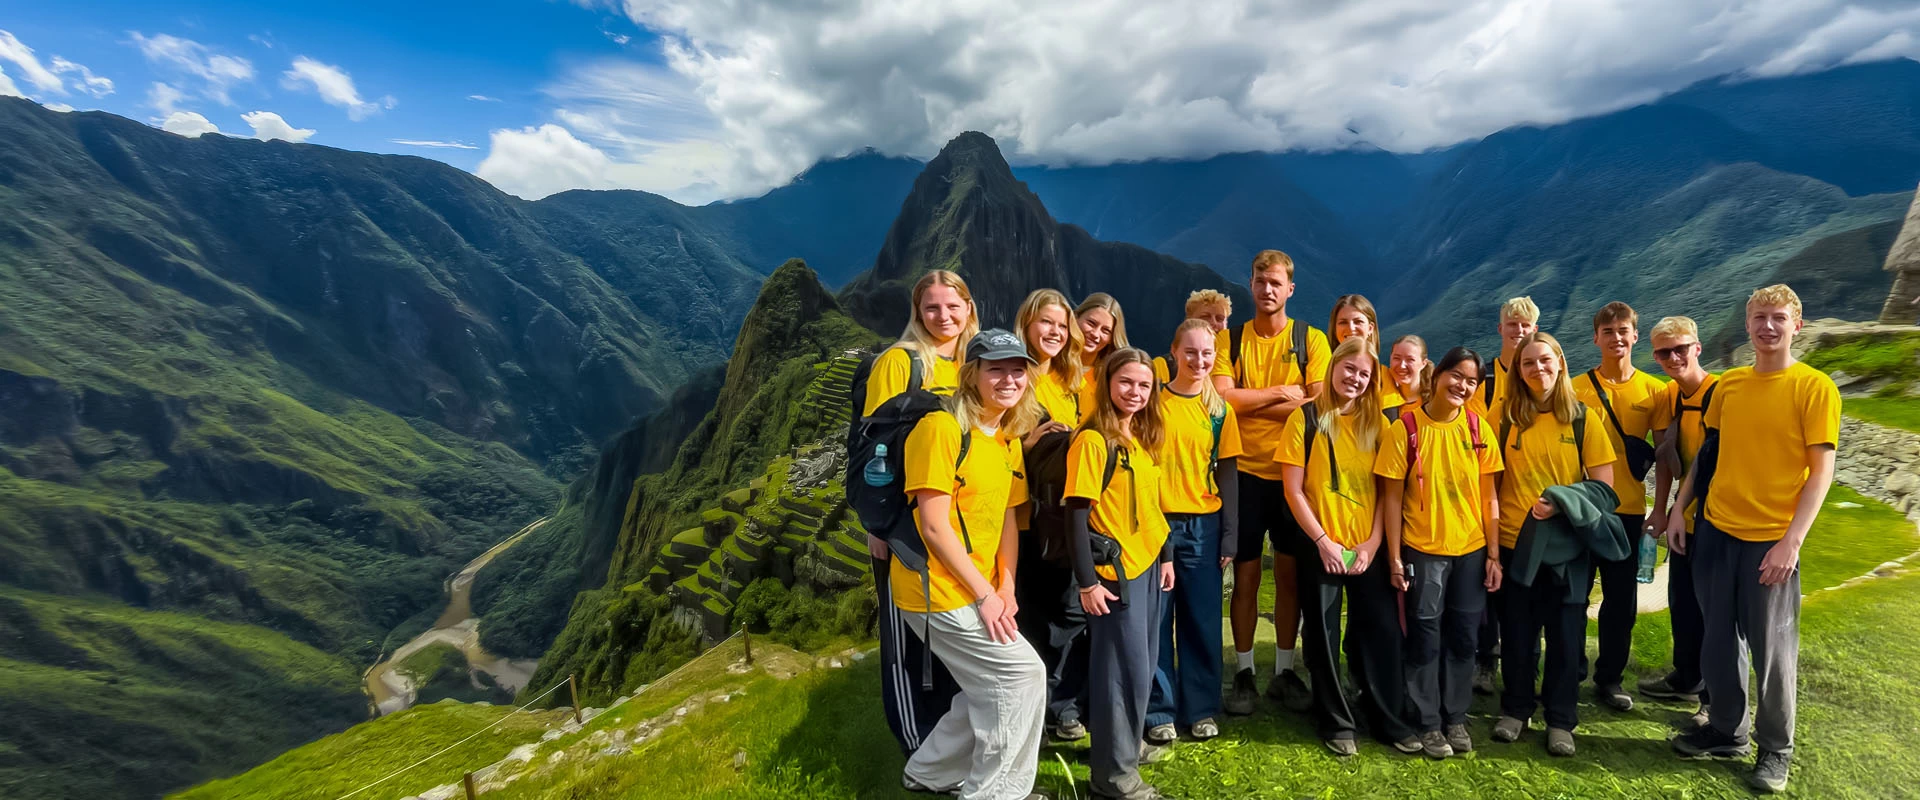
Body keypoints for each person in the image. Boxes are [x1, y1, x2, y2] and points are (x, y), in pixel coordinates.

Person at [1668, 285, 1839, 795]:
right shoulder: (1731, 387)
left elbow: (1821, 471)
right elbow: (1708, 456)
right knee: (1718, 642)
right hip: (1717, 532)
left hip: (1770, 541)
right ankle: (1726, 730)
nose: (1768, 326)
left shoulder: (1814, 387)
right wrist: (1681, 510)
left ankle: (1775, 749)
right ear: (1747, 325)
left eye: (1778, 318)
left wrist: (1792, 542)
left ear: (1796, 325)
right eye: (1759, 318)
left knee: (1772, 650)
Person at [894, 328, 1049, 800]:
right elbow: (934, 526)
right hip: (934, 590)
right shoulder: (941, 429)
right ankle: (995, 793)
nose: (1008, 378)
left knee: (992, 684)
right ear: (972, 374)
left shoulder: (1005, 438)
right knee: (1021, 676)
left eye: (1017, 369)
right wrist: (985, 595)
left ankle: (930, 772)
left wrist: (1006, 588)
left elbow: (1007, 519)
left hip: (979, 587)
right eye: (995, 368)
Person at [1278, 336, 1423, 757]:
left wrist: (1373, 542)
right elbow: (1293, 489)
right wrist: (1322, 541)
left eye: (1364, 374)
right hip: (1320, 543)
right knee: (1323, 635)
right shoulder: (1304, 419)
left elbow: (1385, 490)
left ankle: (1386, 718)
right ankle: (1336, 721)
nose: (1356, 379)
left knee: (1380, 631)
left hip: (1365, 545)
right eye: (1349, 370)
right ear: (1334, 366)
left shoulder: (1379, 423)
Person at [865, 270, 979, 755]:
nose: (943, 317)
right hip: (908, 525)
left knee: (954, 642)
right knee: (910, 639)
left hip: (967, 524)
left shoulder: (976, 365)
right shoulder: (902, 362)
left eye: (953, 306)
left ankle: (953, 743)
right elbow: (875, 447)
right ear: (917, 312)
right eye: (931, 308)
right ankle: (917, 742)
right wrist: (879, 525)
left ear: (969, 308)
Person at [1213, 249, 1330, 715]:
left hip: (1291, 476)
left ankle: (1284, 670)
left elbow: (1319, 405)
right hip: (1242, 473)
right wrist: (1284, 394)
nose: (1267, 290)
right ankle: (1244, 671)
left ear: (1290, 289)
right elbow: (1221, 401)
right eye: (1261, 282)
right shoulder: (1232, 340)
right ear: (1251, 284)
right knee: (1244, 575)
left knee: (1288, 576)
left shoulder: (1311, 339)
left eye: (1276, 283)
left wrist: (1250, 400)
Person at [1489, 332, 1617, 757]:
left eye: (1545, 360)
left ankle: (1561, 719)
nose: (1537, 369)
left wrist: (1561, 504)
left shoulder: (1583, 418)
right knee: (1518, 633)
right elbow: (1491, 481)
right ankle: (1516, 709)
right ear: (1518, 371)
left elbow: (1604, 489)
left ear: (1560, 362)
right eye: (1528, 363)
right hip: (1514, 542)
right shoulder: (1506, 418)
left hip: (1567, 548)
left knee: (1566, 636)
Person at [1374, 346, 1503, 759]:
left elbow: (1489, 499)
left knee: (1465, 637)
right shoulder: (1406, 429)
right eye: (1456, 376)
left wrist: (1494, 555)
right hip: (1424, 550)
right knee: (1426, 636)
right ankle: (1428, 720)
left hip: (1470, 550)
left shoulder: (1479, 430)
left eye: (1472, 381)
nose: (1462, 386)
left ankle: (1456, 716)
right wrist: (1394, 557)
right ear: (1437, 375)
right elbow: (1391, 499)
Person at [1067, 349, 1175, 800]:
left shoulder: (1139, 437)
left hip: (1147, 565)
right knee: (1119, 671)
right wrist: (1088, 582)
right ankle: (1113, 779)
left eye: (1144, 385)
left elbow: (1152, 505)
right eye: (1126, 383)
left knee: (1143, 665)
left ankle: (1125, 748)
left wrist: (1166, 554)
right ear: (1107, 384)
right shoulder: (1094, 442)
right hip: (1115, 575)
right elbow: (1075, 513)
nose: (1135, 392)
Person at [1144, 320, 1242, 746]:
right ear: (1173, 352)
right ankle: (1160, 709)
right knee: (1158, 619)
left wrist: (1230, 534)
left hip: (1204, 523)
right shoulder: (1153, 403)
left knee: (1202, 618)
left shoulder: (1220, 409)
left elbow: (1228, 472)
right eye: (1191, 352)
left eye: (1207, 353)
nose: (1199, 361)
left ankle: (1200, 708)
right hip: (1157, 520)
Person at [1011, 289, 1094, 743]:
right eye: (1046, 323)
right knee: (1031, 612)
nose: (1055, 333)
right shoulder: (1014, 375)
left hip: (1060, 516)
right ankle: (1034, 709)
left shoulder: (1070, 383)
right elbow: (991, 441)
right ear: (1027, 323)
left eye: (1062, 327)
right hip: (1021, 517)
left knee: (1067, 612)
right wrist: (1031, 440)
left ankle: (1063, 705)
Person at [1572, 301, 1664, 712]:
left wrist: (1659, 509)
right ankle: (1570, 670)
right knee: (1573, 596)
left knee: (1620, 601)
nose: (1616, 338)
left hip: (1627, 510)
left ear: (1635, 335)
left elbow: (1665, 457)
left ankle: (1609, 678)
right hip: (1583, 508)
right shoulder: (1575, 389)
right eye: (1608, 332)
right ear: (1596, 338)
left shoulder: (1653, 391)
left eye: (1623, 330)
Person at [1635, 315, 1718, 727]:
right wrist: (1662, 509)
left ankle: (1711, 699)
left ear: (1696, 348)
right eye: (1664, 352)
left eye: (1680, 348)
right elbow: (1666, 454)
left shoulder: (1721, 392)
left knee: (1713, 609)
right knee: (1682, 602)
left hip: (1717, 518)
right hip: (1684, 517)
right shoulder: (1670, 394)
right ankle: (1685, 677)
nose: (1673, 357)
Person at [1472, 296, 1538, 695]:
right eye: (1512, 325)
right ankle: (1485, 659)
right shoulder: (1486, 377)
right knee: (1486, 581)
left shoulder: (1538, 374)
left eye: (1526, 326)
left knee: (1525, 587)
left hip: (1526, 493)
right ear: (1501, 329)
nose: (1519, 331)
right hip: (1487, 485)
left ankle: (1525, 661)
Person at [1154, 290, 1233, 384]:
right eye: (1205, 317)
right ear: (1189, 320)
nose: (1213, 323)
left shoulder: (1235, 365)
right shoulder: (1163, 366)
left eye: (1219, 319)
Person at [1076, 293, 1131, 416]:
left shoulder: (1111, 380)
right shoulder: (1049, 364)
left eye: (1105, 331)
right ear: (1075, 318)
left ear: (1112, 338)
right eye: (1091, 323)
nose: (1095, 334)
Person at [1385, 335, 1432, 417]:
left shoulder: (1434, 401)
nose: (1402, 366)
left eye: (1410, 360)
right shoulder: (1381, 396)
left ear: (1423, 363)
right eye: (1396, 358)